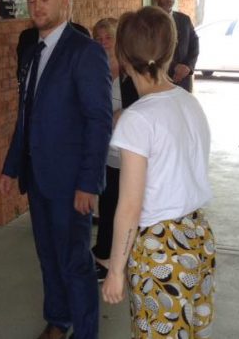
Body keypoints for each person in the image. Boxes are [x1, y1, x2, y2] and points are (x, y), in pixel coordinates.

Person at [1, 0, 112, 339]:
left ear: (66, 1)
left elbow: (98, 122)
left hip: (71, 183)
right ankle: (58, 319)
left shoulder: (85, 51)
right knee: (48, 257)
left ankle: (86, 332)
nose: (37, 6)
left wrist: (89, 183)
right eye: (32, 0)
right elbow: (26, 115)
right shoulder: (33, 50)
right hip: (38, 178)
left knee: (75, 262)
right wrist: (11, 166)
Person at [101, 6, 216, 338]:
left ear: (123, 57)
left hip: (160, 249)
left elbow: (130, 205)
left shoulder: (138, 118)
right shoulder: (189, 102)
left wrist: (115, 270)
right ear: (170, 51)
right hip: (198, 237)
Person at [89, 18, 139, 283]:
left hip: (130, 152)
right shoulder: (94, 71)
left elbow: (146, 106)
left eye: (108, 37)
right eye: (98, 39)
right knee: (108, 204)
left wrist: (123, 114)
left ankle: (120, 257)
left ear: (119, 40)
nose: (103, 43)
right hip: (105, 151)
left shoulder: (132, 72)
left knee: (125, 205)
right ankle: (104, 254)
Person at [154, 0, 199, 92]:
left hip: (183, 80)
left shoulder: (184, 20)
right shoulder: (148, 20)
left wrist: (188, 66)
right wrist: (174, 67)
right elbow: (150, 49)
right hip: (160, 80)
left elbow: (194, 43)